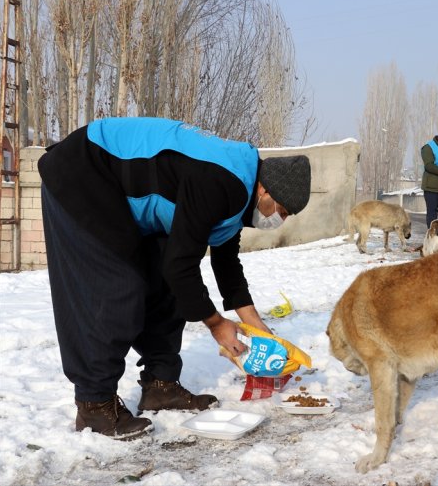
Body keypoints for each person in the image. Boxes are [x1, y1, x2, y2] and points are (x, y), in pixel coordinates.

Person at [39, 117, 311, 438]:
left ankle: (161, 387)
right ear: (264, 188)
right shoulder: (222, 182)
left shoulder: (240, 188)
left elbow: (227, 265)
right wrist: (216, 324)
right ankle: (94, 405)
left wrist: (258, 328)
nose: (279, 218)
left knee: (166, 286)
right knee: (116, 287)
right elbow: (181, 266)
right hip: (84, 173)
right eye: (280, 208)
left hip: (122, 198)